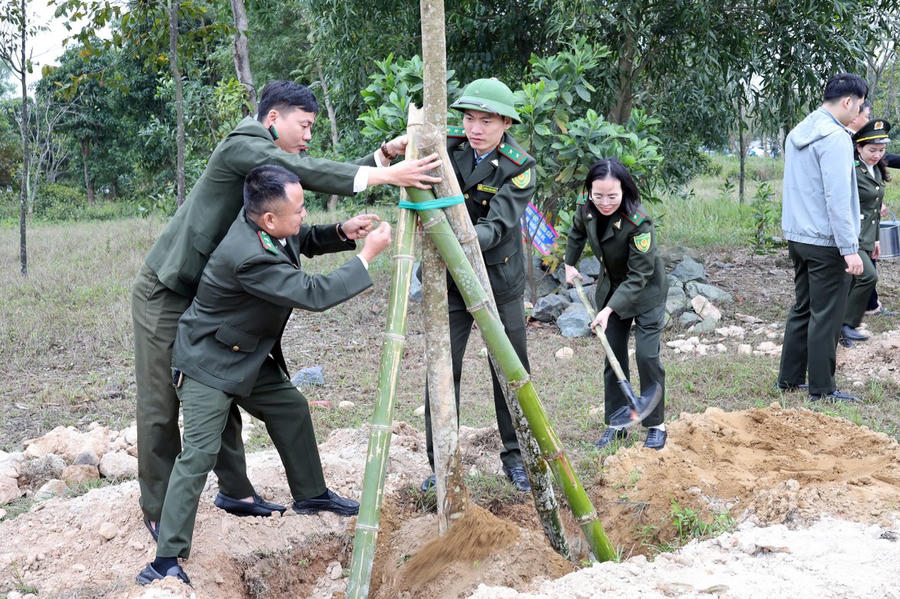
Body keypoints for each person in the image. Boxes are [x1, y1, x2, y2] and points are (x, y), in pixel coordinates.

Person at [132, 80, 441, 540]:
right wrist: (383, 177)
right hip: (169, 289)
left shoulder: (270, 174)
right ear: (273, 118)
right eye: (305, 125)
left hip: (213, 299)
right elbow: (300, 169)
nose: (309, 135)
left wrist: (381, 161)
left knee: (223, 383)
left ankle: (237, 492)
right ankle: (158, 511)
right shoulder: (244, 144)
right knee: (162, 405)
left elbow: (295, 192)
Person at [136, 165, 393, 585]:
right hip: (208, 364)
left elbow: (302, 238)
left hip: (244, 354)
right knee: (198, 453)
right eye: (298, 210)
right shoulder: (249, 254)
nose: (303, 216)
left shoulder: (266, 225)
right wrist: (366, 257)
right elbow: (314, 293)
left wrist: (344, 232)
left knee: (291, 407)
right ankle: (165, 560)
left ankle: (311, 495)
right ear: (269, 219)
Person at [420, 78, 535, 493]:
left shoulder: (517, 166)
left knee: (509, 368)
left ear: (505, 122)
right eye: (469, 118)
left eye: (486, 120)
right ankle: (441, 462)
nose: (475, 128)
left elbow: (496, 226)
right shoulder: (446, 147)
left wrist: (450, 236)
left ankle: (517, 457)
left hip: (497, 280)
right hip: (448, 281)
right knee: (442, 368)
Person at [563, 159, 668, 450]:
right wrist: (569, 263)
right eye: (599, 195)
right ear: (590, 191)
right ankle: (617, 422)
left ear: (625, 190)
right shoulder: (586, 206)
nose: (605, 202)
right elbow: (576, 232)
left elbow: (639, 275)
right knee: (613, 357)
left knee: (647, 357)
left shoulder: (639, 222)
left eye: (612, 196)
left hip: (645, 292)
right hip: (611, 289)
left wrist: (608, 310)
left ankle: (656, 425)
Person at [776, 73, 868, 402]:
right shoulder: (835, 138)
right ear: (848, 102)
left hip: (799, 236)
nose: (858, 112)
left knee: (803, 307)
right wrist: (850, 249)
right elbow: (837, 198)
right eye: (858, 106)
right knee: (826, 315)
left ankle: (788, 379)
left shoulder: (799, 132)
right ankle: (822, 388)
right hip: (826, 241)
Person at [840, 118, 892, 345]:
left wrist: (877, 240)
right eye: (872, 149)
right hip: (851, 235)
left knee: (852, 282)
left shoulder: (876, 170)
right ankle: (847, 324)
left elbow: (874, 211)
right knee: (869, 276)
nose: (877, 155)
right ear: (859, 147)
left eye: (881, 150)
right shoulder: (851, 170)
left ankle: (841, 331)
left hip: (868, 236)